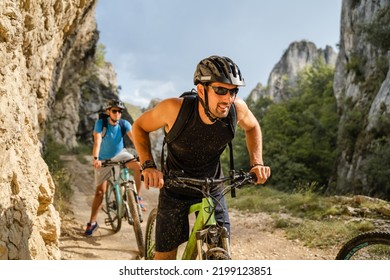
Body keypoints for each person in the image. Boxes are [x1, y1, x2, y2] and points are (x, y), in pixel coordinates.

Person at [132, 55, 271, 259]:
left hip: (213, 186)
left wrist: (257, 162)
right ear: (201, 90)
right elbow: (139, 127)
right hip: (175, 186)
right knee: (165, 260)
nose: (228, 98)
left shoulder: (237, 109)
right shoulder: (174, 109)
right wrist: (148, 165)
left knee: (220, 250)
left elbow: (253, 127)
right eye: (220, 90)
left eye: (233, 91)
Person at [84, 98, 145, 237]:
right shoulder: (101, 123)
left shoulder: (125, 124)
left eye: (120, 111)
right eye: (114, 111)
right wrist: (96, 158)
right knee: (100, 192)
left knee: (139, 167)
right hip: (103, 158)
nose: (117, 114)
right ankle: (92, 222)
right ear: (108, 111)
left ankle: (137, 198)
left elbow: (134, 139)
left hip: (121, 154)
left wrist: (143, 154)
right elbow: (97, 141)